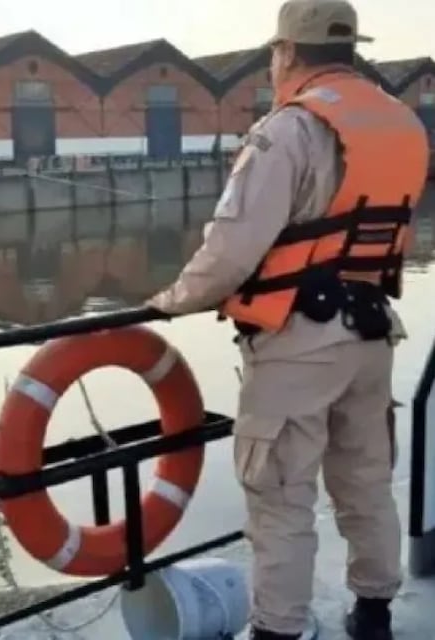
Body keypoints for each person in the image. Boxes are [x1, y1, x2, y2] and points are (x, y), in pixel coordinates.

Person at [144, 1, 431, 639]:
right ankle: (375, 612)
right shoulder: (404, 123)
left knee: (279, 495)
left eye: (275, 53)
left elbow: (231, 249)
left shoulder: (291, 129)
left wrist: (169, 300)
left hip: (299, 340)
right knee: (365, 479)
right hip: (373, 329)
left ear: (289, 53)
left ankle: (276, 630)